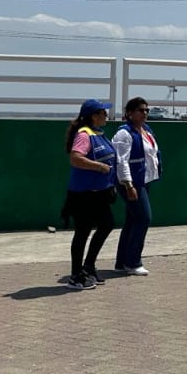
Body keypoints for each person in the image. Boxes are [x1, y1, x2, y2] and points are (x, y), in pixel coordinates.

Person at [60, 99, 118, 290]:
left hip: (99, 194)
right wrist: (99, 167)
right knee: (82, 232)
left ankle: (89, 267)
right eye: (103, 113)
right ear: (94, 116)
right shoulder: (84, 135)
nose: (106, 116)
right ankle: (76, 276)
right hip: (83, 195)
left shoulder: (98, 134)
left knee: (107, 224)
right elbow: (76, 158)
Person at [113, 96, 162, 276]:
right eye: (140, 110)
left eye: (146, 110)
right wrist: (129, 185)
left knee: (132, 220)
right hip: (132, 183)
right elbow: (121, 161)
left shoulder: (146, 130)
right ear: (129, 113)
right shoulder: (124, 134)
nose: (145, 113)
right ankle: (133, 262)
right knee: (143, 218)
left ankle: (122, 262)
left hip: (144, 180)